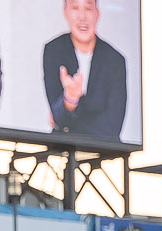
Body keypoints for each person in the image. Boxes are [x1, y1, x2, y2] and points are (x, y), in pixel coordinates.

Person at [42, 0, 126, 141]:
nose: (82, 16)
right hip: (62, 150)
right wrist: (70, 98)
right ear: (65, 12)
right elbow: (58, 117)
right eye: (75, 8)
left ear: (97, 13)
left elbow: (112, 127)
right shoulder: (53, 50)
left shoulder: (115, 59)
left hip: (105, 151)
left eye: (88, 8)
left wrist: (67, 118)